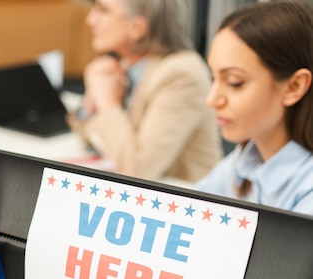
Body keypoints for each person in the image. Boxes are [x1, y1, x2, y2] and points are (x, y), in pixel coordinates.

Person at [67, 0, 223, 183]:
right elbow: (91, 140)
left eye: (103, 10)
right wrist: (90, 105)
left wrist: (107, 103)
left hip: (188, 202)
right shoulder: (127, 65)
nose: (90, 19)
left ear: (137, 27)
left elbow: (138, 170)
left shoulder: (181, 75)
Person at [195, 0, 313, 215]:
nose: (212, 100)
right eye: (214, 78)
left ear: (294, 87)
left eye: (234, 82)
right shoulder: (243, 161)